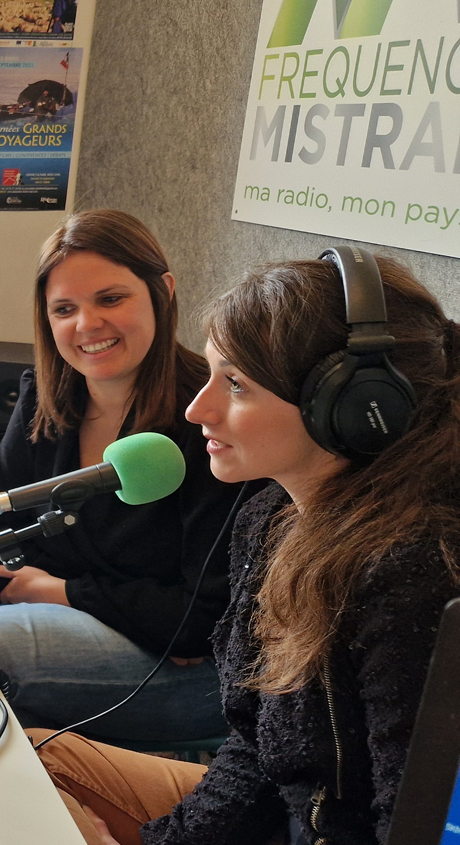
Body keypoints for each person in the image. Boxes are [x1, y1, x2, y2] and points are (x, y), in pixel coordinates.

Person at [32, 250, 460, 845]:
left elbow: (404, 825)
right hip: (279, 813)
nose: (197, 409)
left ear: (351, 408)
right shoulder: (267, 518)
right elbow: (258, 754)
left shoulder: (416, 574)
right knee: (30, 761)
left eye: (235, 384)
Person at [0, 210, 246, 742]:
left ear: (163, 292)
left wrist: (59, 591)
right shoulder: (43, 399)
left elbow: (202, 618)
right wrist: (124, 601)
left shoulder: (208, 418)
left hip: (181, 672)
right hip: (119, 631)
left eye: (110, 299)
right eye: (64, 309)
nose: (87, 325)